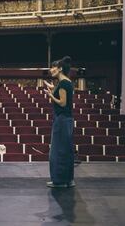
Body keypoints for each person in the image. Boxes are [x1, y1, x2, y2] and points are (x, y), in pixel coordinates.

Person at [44, 56, 75, 188]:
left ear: (60, 68)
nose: (51, 70)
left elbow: (62, 103)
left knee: (57, 151)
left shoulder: (63, 83)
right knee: (66, 150)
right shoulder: (66, 82)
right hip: (66, 120)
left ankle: (59, 181)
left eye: (53, 67)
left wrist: (50, 96)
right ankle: (68, 179)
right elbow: (61, 94)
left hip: (61, 119)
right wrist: (52, 88)